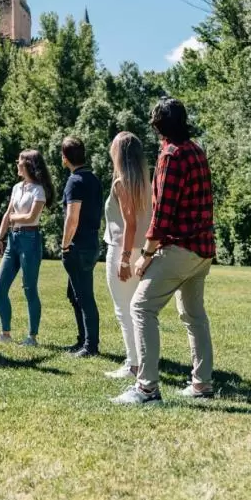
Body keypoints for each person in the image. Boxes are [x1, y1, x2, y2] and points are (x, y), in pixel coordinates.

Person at [112, 98, 216, 405]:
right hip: (203, 250)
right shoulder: (196, 150)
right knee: (194, 316)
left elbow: (162, 215)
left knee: (141, 308)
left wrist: (145, 254)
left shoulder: (171, 155)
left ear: (157, 126)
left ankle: (147, 389)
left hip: (180, 249)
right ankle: (202, 384)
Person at [0, 150, 56, 346]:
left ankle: (32, 337)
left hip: (30, 240)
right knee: (0, 288)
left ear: (28, 164)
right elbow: (7, 214)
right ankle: (5, 334)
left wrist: (12, 218)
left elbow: (29, 217)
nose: (16, 163)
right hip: (13, 240)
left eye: (19, 161)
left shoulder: (39, 190)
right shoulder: (17, 187)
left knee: (29, 288)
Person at [102, 132, 152, 379]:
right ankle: (139, 361)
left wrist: (122, 259)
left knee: (124, 310)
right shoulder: (146, 182)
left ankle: (133, 364)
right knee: (137, 310)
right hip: (143, 250)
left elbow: (129, 224)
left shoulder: (121, 183)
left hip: (123, 249)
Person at [60, 136, 103, 357]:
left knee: (84, 296)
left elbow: (72, 217)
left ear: (64, 158)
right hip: (92, 242)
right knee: (74, 294)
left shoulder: (74, 181)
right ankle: (82, 339)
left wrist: (65, 244)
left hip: (78, 246)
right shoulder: (93, 179)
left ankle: (90, 345)